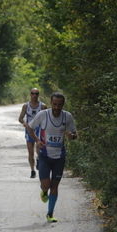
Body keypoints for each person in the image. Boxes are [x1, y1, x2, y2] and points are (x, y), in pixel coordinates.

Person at [26, 92, 77, 223]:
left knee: (55, 186)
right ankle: (43, 191)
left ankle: (50, 214)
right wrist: (37, 140)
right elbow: (29, 127)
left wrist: (71, 136)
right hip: (44, 155)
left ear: (63, 105)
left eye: (60, 105)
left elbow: (74, 134)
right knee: (46, 185)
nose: (57, 107)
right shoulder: (43, 115)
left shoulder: (67, 116)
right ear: (50, 103)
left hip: (59, 157)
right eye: (54, 104)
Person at [18, 88, 47, 178]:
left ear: (38, 95)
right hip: (29, 129)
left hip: (39, 130)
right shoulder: (26, 106)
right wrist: (24, 123)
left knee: (39, 149)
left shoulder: (43, 106)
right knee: (30, 152)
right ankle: (32, 170)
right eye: (33, 93)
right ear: (30, 94)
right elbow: (20, 118)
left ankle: (39, 159)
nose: (34, 95)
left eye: (36, 93)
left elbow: (47, 118)